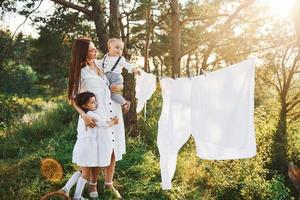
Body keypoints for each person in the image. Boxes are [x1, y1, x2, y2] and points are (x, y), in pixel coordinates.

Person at [68, 37, 125, 199]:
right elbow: (73, 99)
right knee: (97, 151)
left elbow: (117, 75)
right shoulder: (80, 72)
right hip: (95, 116)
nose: (94, 52)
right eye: (90, 50)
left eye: (95, 49)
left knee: (112, 149)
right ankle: (92, 186)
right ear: (82, 53)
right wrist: (84, 115)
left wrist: (119, 86)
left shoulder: (100, 64)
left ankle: (109, 184)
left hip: (112, 112)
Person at [61, 91, 118, 199]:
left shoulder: (84, 116)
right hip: (88, 147)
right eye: (92, 102)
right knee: (85, 173)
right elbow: (104, 125)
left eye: (95, 101)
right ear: (84, 106)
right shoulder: (91, 115)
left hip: (82, 145)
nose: (96, 104)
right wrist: (113, 122)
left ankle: (65, 189)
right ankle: (77, 196)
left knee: (83, 170)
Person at [100, 38, 140, 112]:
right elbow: (101, 65)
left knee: (112, 94)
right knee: (106, 93)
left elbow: (127, 65)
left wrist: (134, 69)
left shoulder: (120, 59)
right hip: (107, 77)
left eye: (121, 49)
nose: (119, 50)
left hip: (116, 78)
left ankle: (124, 102)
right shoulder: (105, 56)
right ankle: (110, 108)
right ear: (109, 48)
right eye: (117, 48)